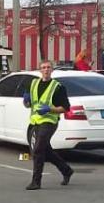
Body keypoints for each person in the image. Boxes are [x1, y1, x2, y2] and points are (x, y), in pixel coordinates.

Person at [22, 60, 74, 191]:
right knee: (46, 151)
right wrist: (26, 101)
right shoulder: (33, 83)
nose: (46, 70)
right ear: (40, 70)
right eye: (43, 68)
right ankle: (66, 170)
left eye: (48, 67)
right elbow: (28, 104)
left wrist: (49, 109)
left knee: (38, 149)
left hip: (50, 121)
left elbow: (65, 108)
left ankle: (36, 181)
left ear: (52, 70)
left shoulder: (58, 87)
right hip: (35, 121)